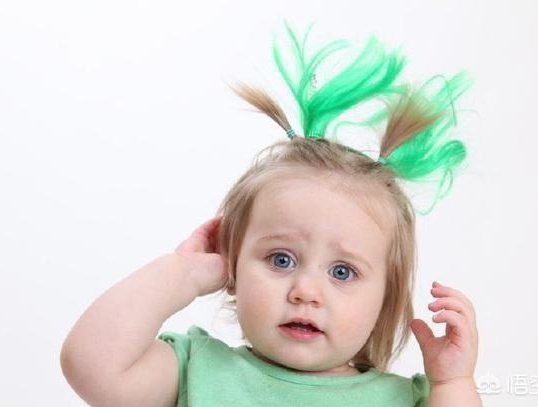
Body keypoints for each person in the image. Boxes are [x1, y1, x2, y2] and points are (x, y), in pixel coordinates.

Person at [60, 23, 481, 407]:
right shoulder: (196, 371)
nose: (306, 291)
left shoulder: (403, 400)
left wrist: (452, 384)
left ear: (386, 298)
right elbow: (92, 365)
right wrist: (183, 274)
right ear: (234, 266)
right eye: (281, 259)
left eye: (342, 272)